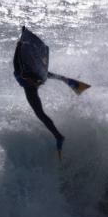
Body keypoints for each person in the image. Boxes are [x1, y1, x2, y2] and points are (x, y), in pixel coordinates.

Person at [13, 27, 65, 155]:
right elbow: (36, 71)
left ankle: (58, 136)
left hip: (30, 83)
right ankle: (64, 79)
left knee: (40, 113)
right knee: (44, 75)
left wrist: (19, 44)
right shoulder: (22, 63)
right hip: (31, 78)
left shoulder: (21, 68)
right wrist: (20, 43)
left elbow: (28, 70)